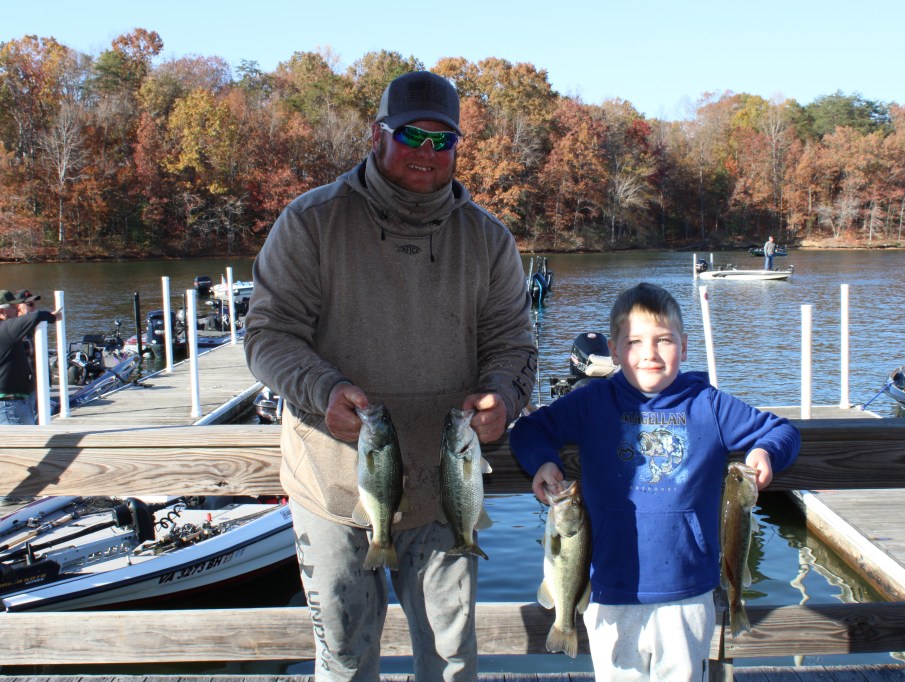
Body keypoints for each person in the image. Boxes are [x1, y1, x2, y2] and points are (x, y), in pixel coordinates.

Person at [243, 71, 537, 682]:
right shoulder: (311, 222)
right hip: (332, 485)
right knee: (345, 657)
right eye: (411, 136)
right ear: (378, 134)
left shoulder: (488, 239)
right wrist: (323, 389)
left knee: (452, 660)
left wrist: (503, 396)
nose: (426, 152)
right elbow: (268, 335)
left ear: (457, 147)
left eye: (442, 140)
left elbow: (513, 345)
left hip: (444, 492)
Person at [509, 282, 800, 681]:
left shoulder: (709, 404)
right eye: (634, 342)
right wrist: (542, 462)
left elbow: (782, 431)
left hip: (688, 590)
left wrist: (764, 452)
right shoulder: (592, 403)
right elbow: (529, 430)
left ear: (684, 344)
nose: (650, 353)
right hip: (609, 588)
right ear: (614, 350)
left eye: (664, 340)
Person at [0, 289, 61, 425]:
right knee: (25, 438)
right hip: (8, 404)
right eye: (13, 306)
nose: (17, 309)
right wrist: (54, 317)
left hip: (11, 401)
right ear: (2, 312)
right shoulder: (7, 328)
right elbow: (37, 316)